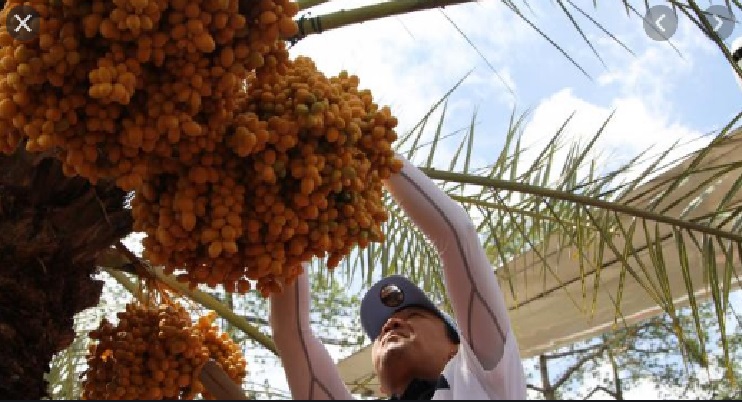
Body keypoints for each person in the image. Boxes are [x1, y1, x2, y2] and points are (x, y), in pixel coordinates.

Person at [268, 153, 527, 400]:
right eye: (382, 331)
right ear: (381, 386)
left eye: (413, 315)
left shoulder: (487, 381)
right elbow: (292, 332)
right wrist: (286, 210)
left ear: (455, 350)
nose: (390, 325)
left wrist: (372, 147)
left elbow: (458, 235)